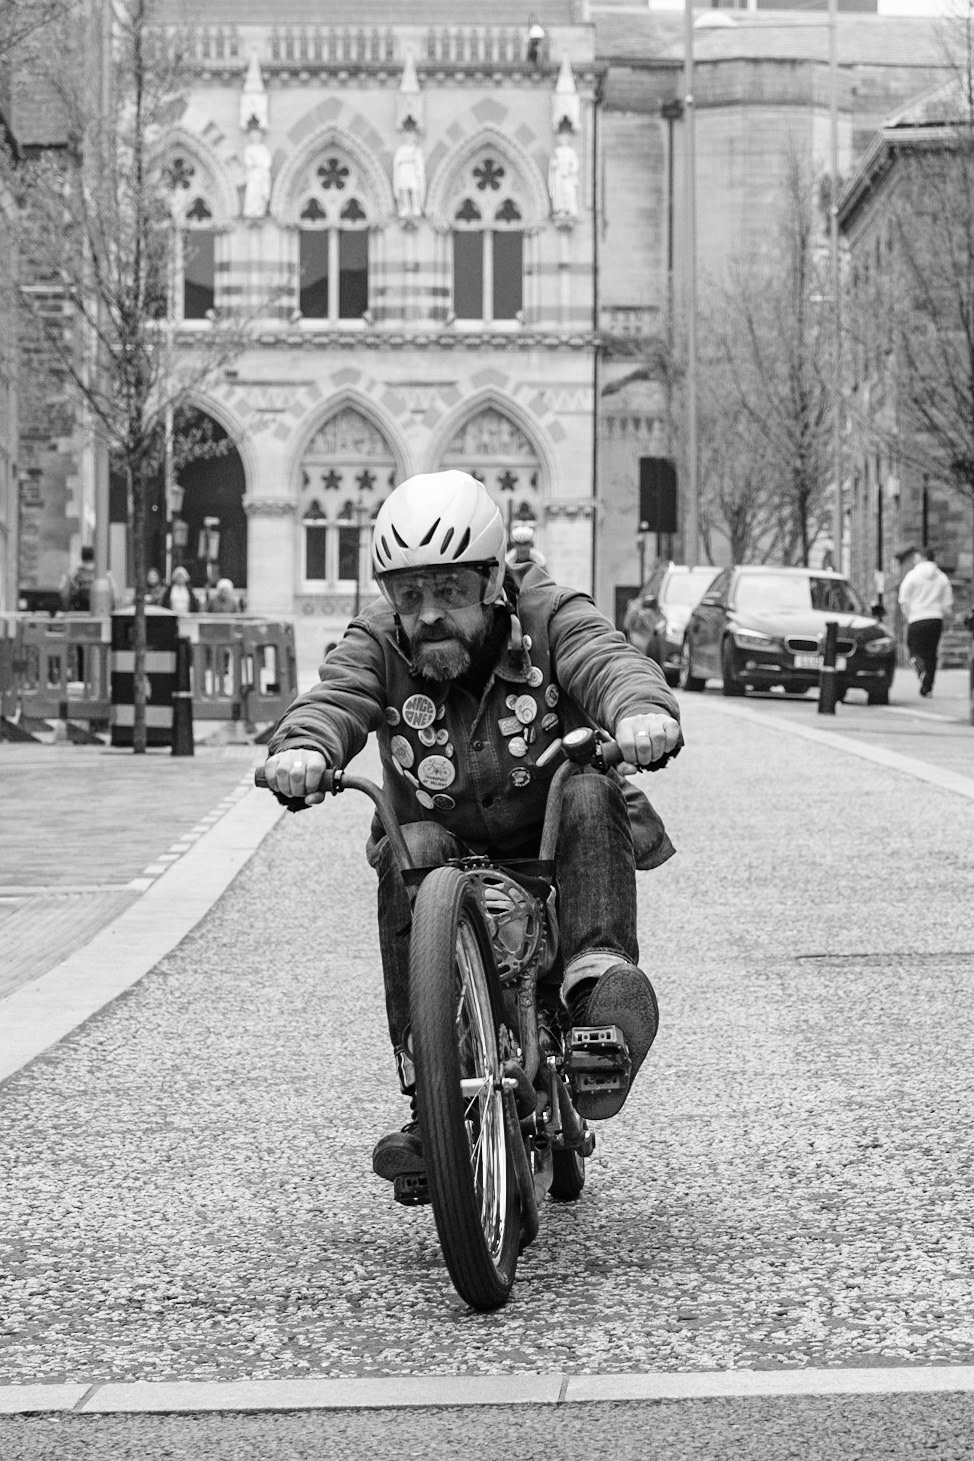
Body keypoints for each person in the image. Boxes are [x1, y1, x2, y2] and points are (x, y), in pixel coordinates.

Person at [262, 471, 683, 1188]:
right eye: (411, 595)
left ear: (493, 581)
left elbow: (607, 658)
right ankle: (430, 1092)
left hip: (551, 837)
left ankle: (594, 989)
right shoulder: (379, 640)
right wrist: (304, 746)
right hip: (442, 846)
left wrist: (639, 710)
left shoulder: (549, 613)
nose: (428, 615)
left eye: (450, 591)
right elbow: (338, 691)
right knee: (409, 839)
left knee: (587, 786)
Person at [898, 547, 953, 697]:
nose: (914, 560)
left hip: (917, 618)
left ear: (923, 558)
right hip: (935, 618)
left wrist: (908, 614)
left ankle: (921, 671)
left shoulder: (912, 575)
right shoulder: (941, 577)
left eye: (916, 557)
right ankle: (927, 687)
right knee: (931, 653)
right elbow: (948, 603)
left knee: (913, 651)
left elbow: (903, 599)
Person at [59, 546, 95, 612]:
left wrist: (66, 610)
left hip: (77, 613)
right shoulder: (103, 576)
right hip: (98, 613)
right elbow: (114, 598)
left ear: (82, 556)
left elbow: (64, 595)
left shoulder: (73, 574)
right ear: (94, 556)